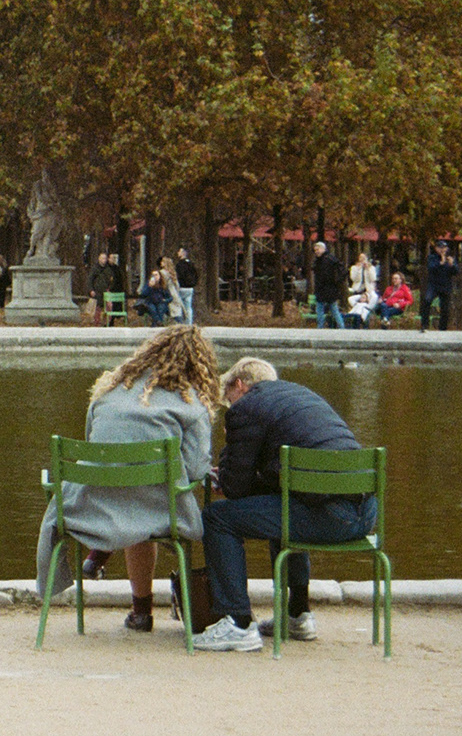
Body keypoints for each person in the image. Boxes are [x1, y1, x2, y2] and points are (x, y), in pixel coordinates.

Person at [35, 325, 218, 632]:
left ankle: (133, 601)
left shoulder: (107, 394)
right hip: (158, 510)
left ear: (148, 353)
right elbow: (197, 470)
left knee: (130, 496)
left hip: (91, 507)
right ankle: (149, 607)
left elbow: (94, 447)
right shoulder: (191, 406)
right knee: (145, 503)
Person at [193, 357, 377, 652]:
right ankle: (298, 615)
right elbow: (279, 476)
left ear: (240, 385)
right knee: (284, 505)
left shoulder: (247, 407)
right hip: (365, 513)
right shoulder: (302, 396)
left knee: (217, 517)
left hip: (329, 515)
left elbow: (235, 489)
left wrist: (226, 458)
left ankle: (238, 624)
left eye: (229, 399)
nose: (230, 406)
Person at [310, 241, 346, 330]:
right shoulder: (331, 259)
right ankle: (341, 327)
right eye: (315, 250)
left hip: (326, 288)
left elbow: (324, 276)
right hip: (329, 289)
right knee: (333, 309)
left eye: (317, 249)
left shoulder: (326, 260)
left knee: (322, 309)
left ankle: (321, 327)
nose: (316, 252)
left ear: (323, 249)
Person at [423, 241, 457, 332]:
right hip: (433, 285)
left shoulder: (450, 258)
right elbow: (431, 268)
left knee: (445, 307)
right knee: (427, 300)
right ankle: (424, 325)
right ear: (436, 249)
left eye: (444, 248)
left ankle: (443, 328)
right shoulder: (432, 258)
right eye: (440, 248)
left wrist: (452, 265)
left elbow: (455, 272)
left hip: (445, 285)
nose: (442, 250)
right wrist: (440, 263)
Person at [88, 252, 121, 323]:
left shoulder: (108, 269)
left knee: (109, 306)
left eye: (105, 258)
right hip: (97, 291)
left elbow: (112, 280)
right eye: (102, 258)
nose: (104, 260)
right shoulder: (95, 269)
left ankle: (107, 322)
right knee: (98, 308)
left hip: (106, 291)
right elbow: (90, 280)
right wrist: (91, 290)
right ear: (99, 259)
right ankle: (97, 322)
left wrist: (109, 288)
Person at [174, 247, 199, 324]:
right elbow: (196, 274)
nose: (178, 253)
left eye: (179, 251)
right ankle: (189, 322)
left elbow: (178, 276)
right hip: (190, 288)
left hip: (182, 287)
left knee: (180, 306)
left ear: (183, 253)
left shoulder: (179, 265)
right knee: (188, 306)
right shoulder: (191, 264)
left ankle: (180, 323)